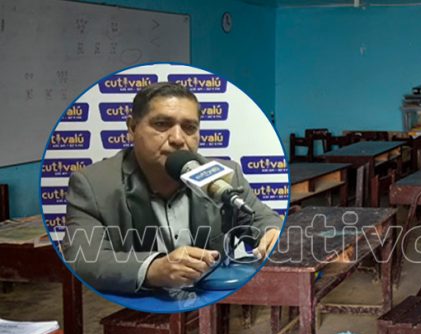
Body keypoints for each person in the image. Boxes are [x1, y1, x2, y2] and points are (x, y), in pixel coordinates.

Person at [61, 82, 282, 294]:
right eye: (161, 124)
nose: (177, 138)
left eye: (189, 127)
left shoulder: (225, 175)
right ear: (132, 127)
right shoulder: (93, 184)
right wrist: (153, 270)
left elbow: (262, 219)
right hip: (140, 301)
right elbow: (83, 258)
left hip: (210, 301)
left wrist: (271, 233)